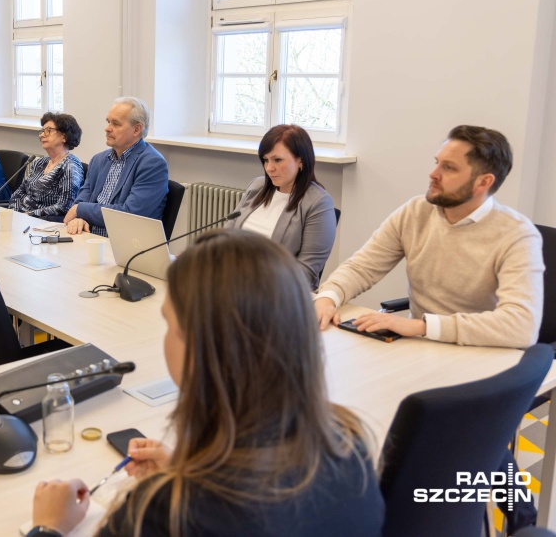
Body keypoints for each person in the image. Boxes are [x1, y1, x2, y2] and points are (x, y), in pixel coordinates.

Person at [28, 230, 384, 537]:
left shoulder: (166, 513)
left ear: (201, 348)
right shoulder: (350, 447)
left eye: (170, 325)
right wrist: (188, 472)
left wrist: (47, 527)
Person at [313, 125, 543, 530]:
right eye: (437, 163)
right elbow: (362, 266)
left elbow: (521, 325)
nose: (433, 174)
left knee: (458, 435)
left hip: (482, 359)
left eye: (448, 168)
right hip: (422, 353)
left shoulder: (515, 233)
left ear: (483, 182)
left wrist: (421, 327)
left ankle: (514, 518)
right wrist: (328, 296)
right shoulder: (415, 212)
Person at [225, 124, 336, 290]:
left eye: (277, 160)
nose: (269, 168)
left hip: (276, 293)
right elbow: (226, 236)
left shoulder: (318, 203)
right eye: (266, 160)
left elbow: (306, 271)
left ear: (300, 160)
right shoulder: (257, 186)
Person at [63, 97, 168, 236]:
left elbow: (130, 214)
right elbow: (81, 200)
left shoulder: (152, 163)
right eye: (108, 122)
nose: (107, 129)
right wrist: (79, 218)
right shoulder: (98, 160)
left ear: (137, 129)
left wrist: (80, 210)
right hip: (90, 238)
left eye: (116, 124)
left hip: (126, 242)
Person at [9, 112, 84, 221]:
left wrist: (29, 215)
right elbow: (20, 192)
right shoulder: (40, 163)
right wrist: (13, 212)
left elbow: (64, 206)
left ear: (64, 136)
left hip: (43, 222)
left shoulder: (70, 166)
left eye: (49, 130)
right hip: (21, 218)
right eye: (42, 131)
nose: (42, 135)